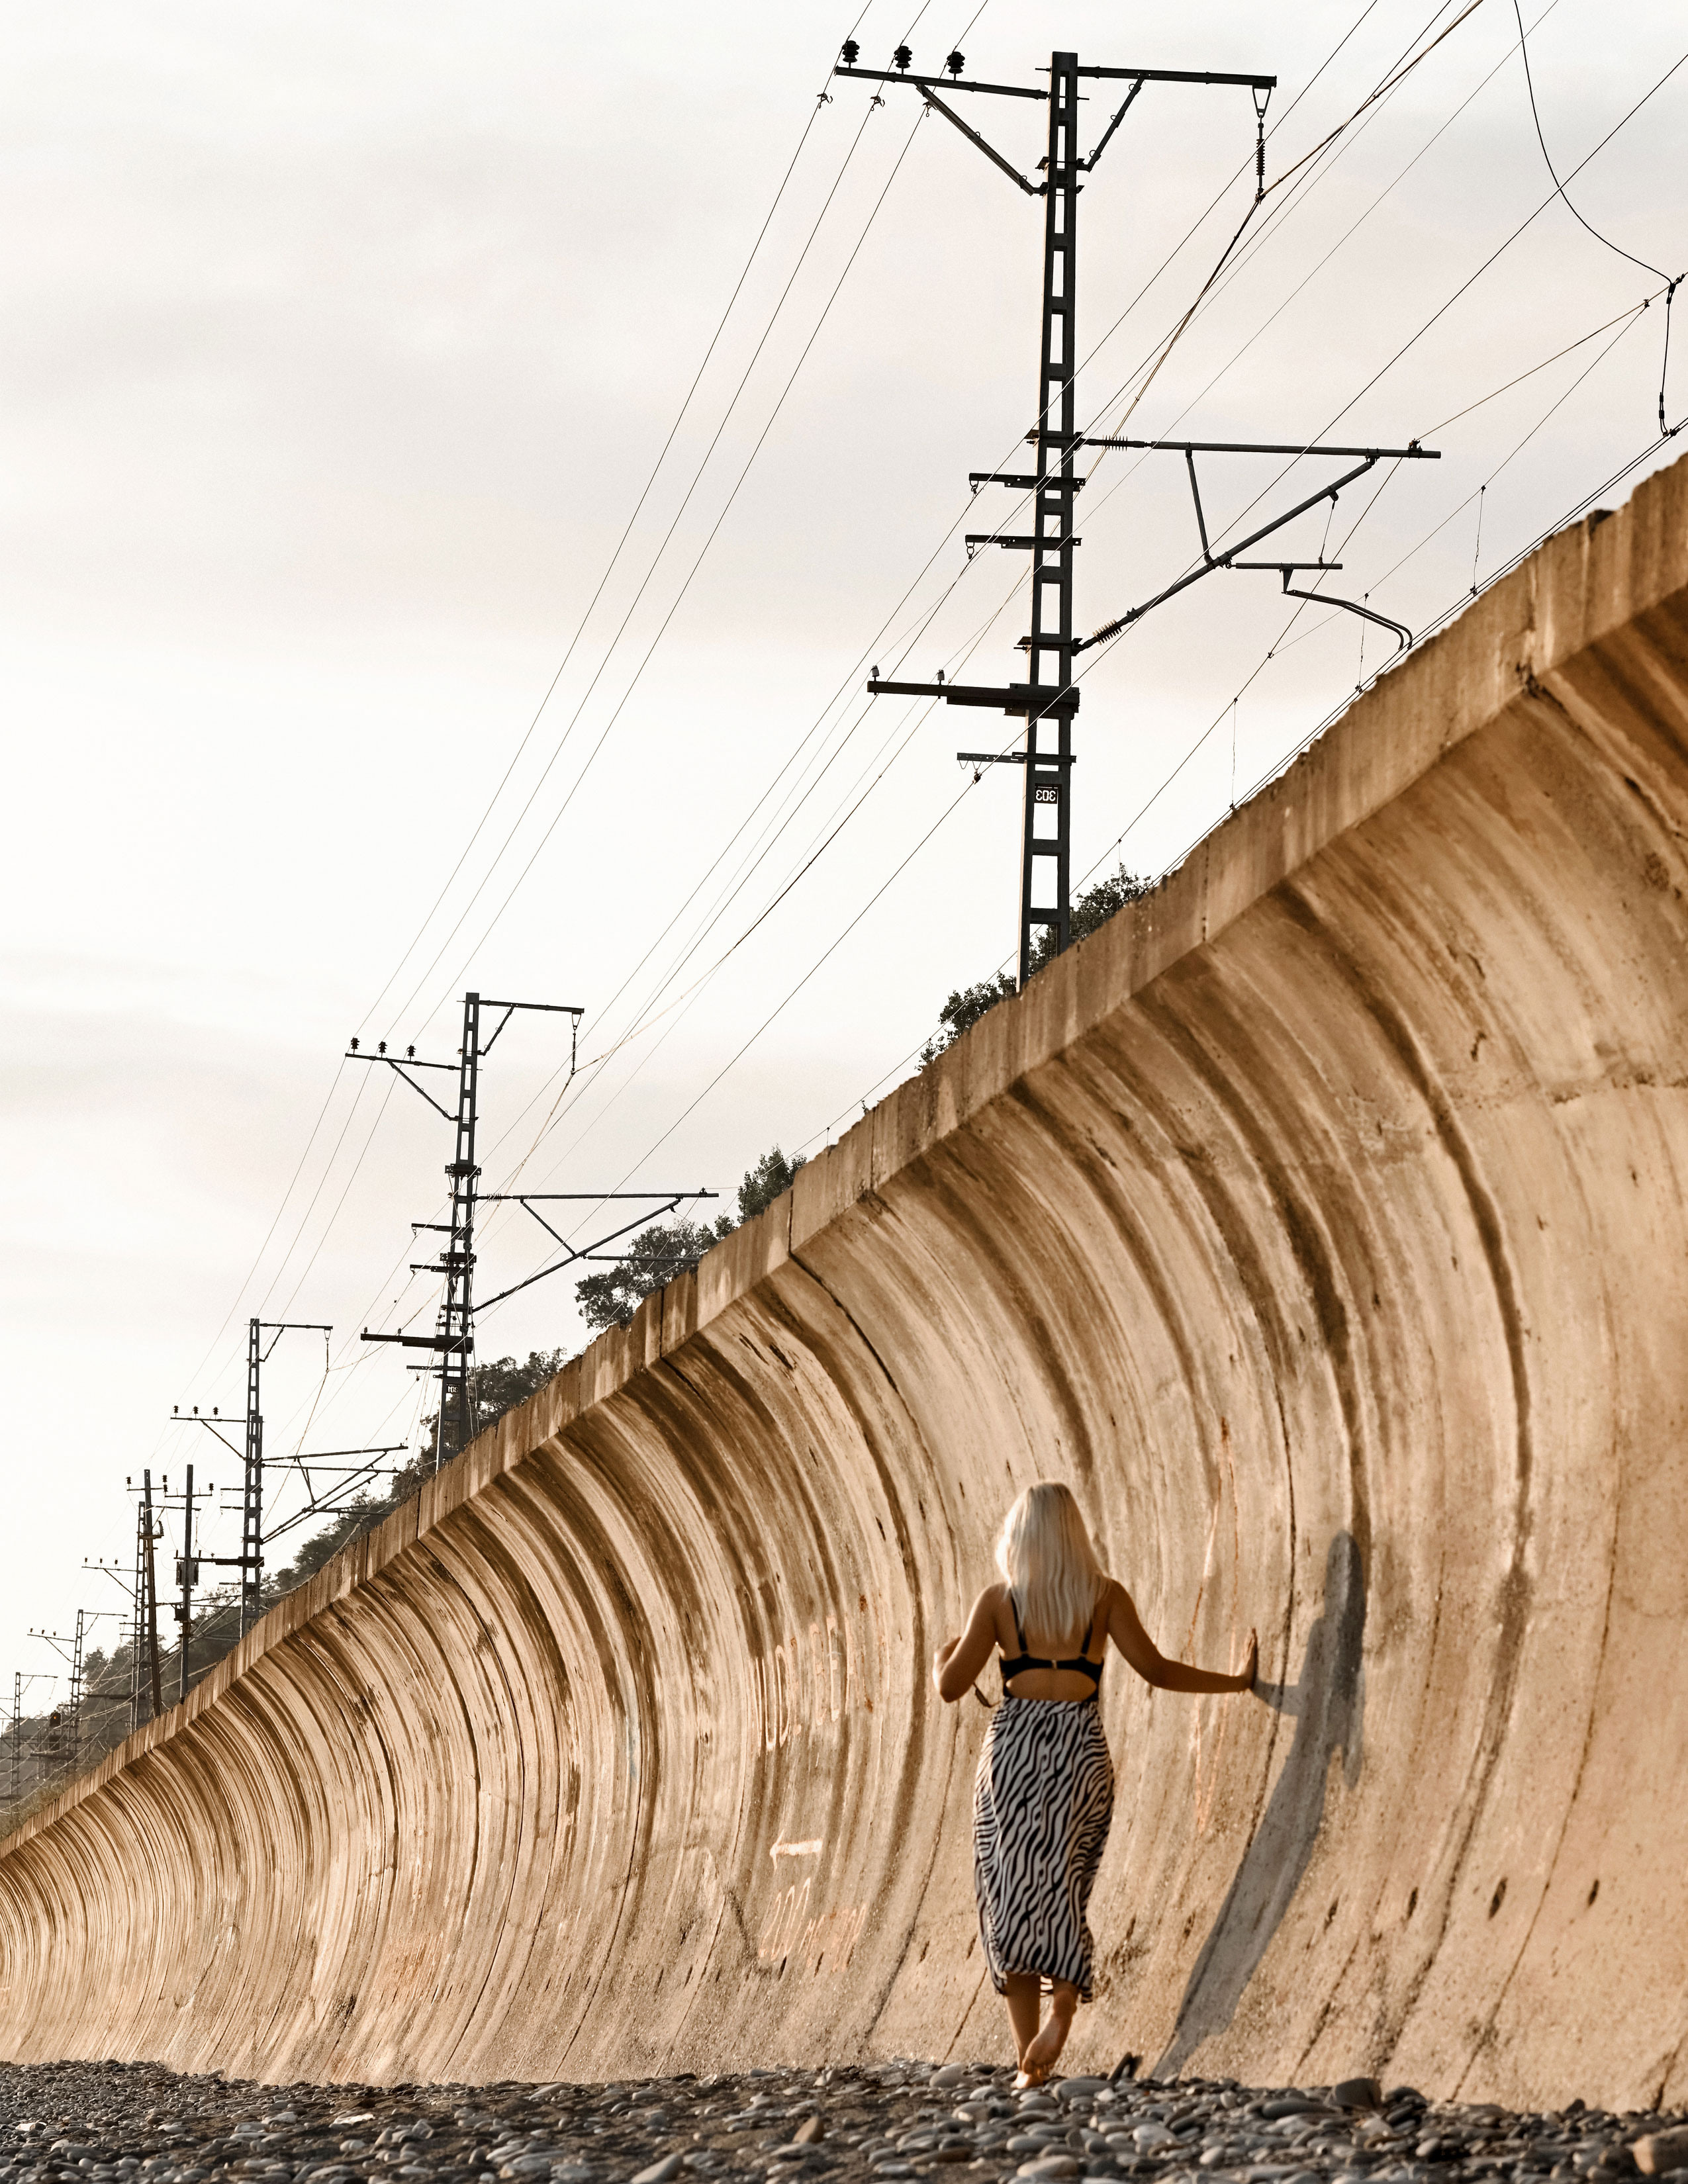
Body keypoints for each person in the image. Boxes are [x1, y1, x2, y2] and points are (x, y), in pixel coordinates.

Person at [933, 1480, 1257, 2086]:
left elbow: (951, 1686)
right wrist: (1236, 1683)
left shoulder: (1001, 1602)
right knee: (1064, 1883)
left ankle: (1029, 2059)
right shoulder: (1104, 1597)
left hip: (1014, 1756)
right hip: (1080, 1749)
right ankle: (1062, 2013)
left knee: (1009, 1894)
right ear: (1076, 1536)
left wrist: (939, 1658)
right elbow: (1157, 1670)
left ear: (1019, 1538)